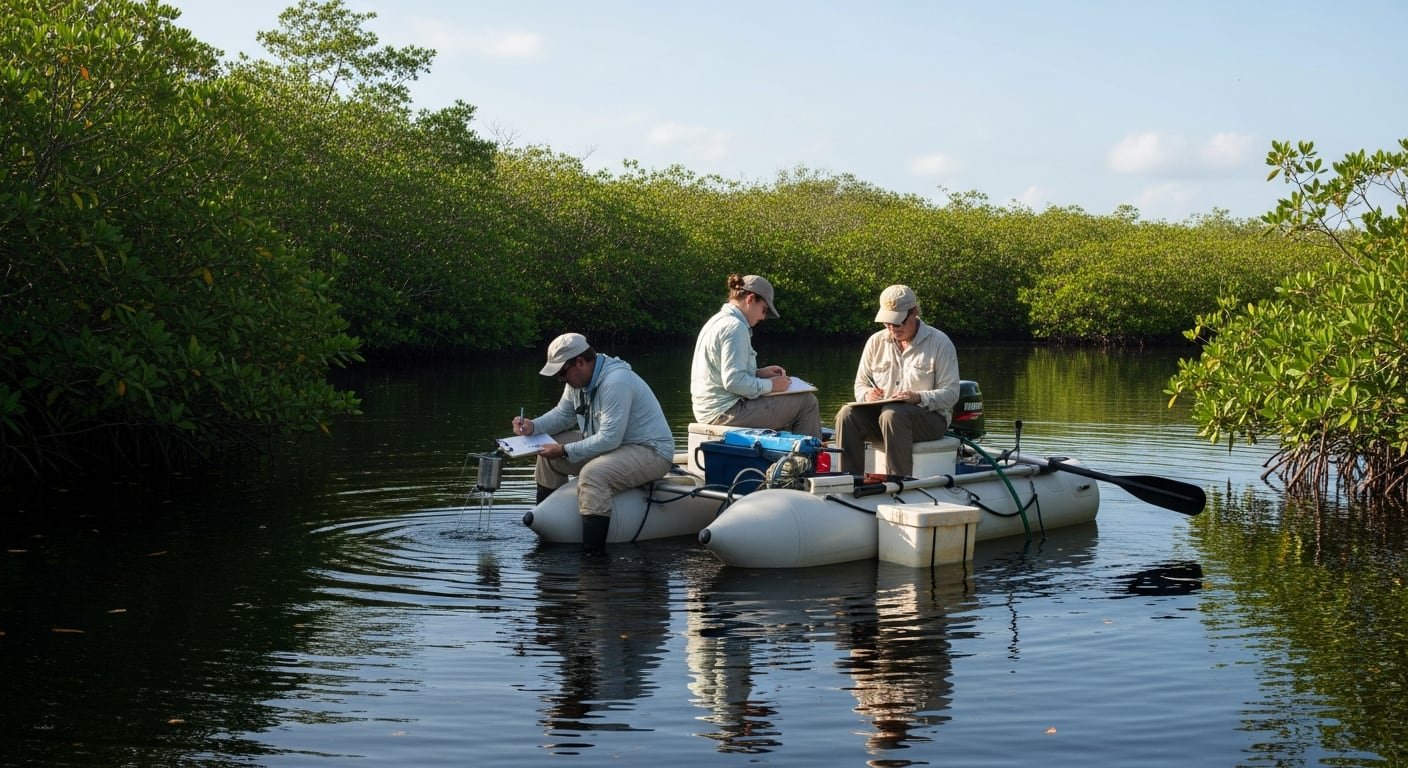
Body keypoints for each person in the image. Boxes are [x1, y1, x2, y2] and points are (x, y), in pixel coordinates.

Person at [512, 332, 676, 553]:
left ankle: (593, 559)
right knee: (544, 451)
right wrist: (533, 427)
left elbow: (610, 438)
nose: (562, 380)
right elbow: (564, 415)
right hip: (611, 445)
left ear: (580, 362)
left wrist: (564, 450)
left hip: (650, 451)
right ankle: (547, 526)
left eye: (562, 373)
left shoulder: (616, 382)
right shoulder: (578, 381)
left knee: (593, 475)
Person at [833, 284, 960, 478]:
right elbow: (860, 385)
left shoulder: (940, 342)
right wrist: (868, 394)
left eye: (898, 322)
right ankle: (850, 481)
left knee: (893, 414)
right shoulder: (875, 342)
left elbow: (952, 394)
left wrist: (917, 397)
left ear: (914, 313)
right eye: (887, 322)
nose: (892, 328)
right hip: (884, 417)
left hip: (930, 419)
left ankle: (899, 482)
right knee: (847, 414)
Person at [689, 273, 823, 439]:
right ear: (750, 299)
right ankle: (807, 463)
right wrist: (771, 385)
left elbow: (723, 373)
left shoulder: (717, 320)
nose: (763, 317)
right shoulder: (735, 327)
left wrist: (758, 373)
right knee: (807, 402)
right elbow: (733, 382)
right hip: (724, 413)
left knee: (792, 405)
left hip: (710, 410)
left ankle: (787, 460)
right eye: (764, 310)